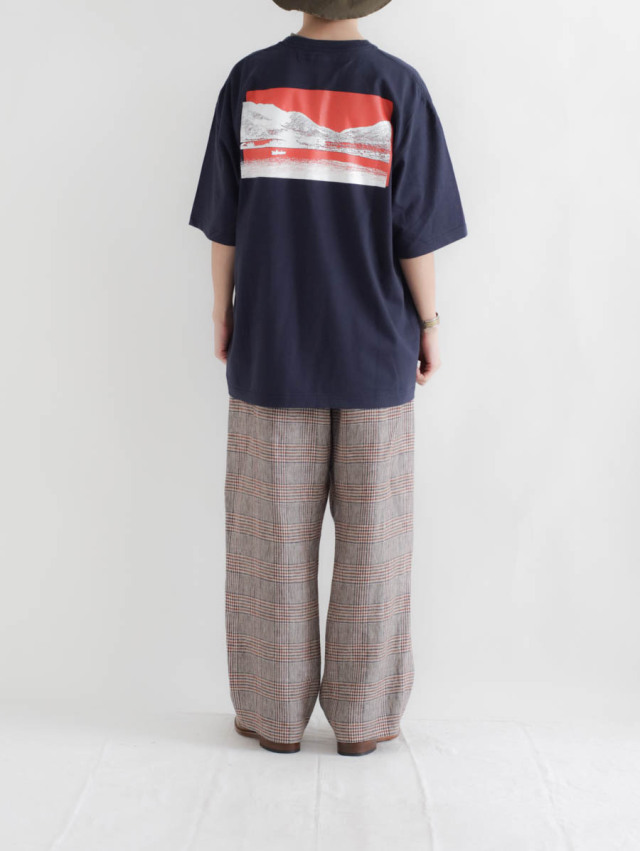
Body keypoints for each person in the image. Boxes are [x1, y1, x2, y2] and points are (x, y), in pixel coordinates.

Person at [188, 0, 467, 757]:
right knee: (377, 543)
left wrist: (222, 312)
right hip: (376, 350)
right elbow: (415, 233)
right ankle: (365, 721)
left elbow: (225, 223)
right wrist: (429, 323)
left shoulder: (250, 81)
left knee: (267, 543)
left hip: (271, 345)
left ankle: (273, 716)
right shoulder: (397, 86)